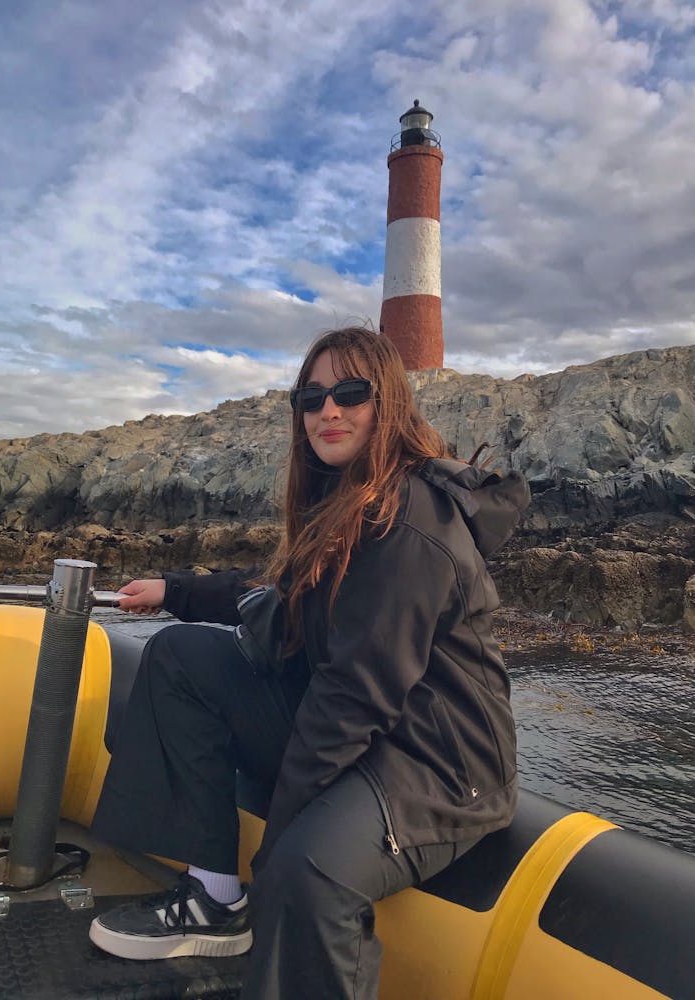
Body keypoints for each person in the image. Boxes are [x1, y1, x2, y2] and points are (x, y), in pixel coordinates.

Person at [89, 326, 530, 998]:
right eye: (312, 396)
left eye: (351, 393)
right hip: (374, 730)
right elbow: (283, 594)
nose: (329, 410)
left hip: (435, 762)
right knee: (180, 657)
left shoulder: (409, 517)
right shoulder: (346, 499)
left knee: (305, 872)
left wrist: (280, 842)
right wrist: (176, 592)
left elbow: (356, 694)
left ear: (388, 403)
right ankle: (213, 895)